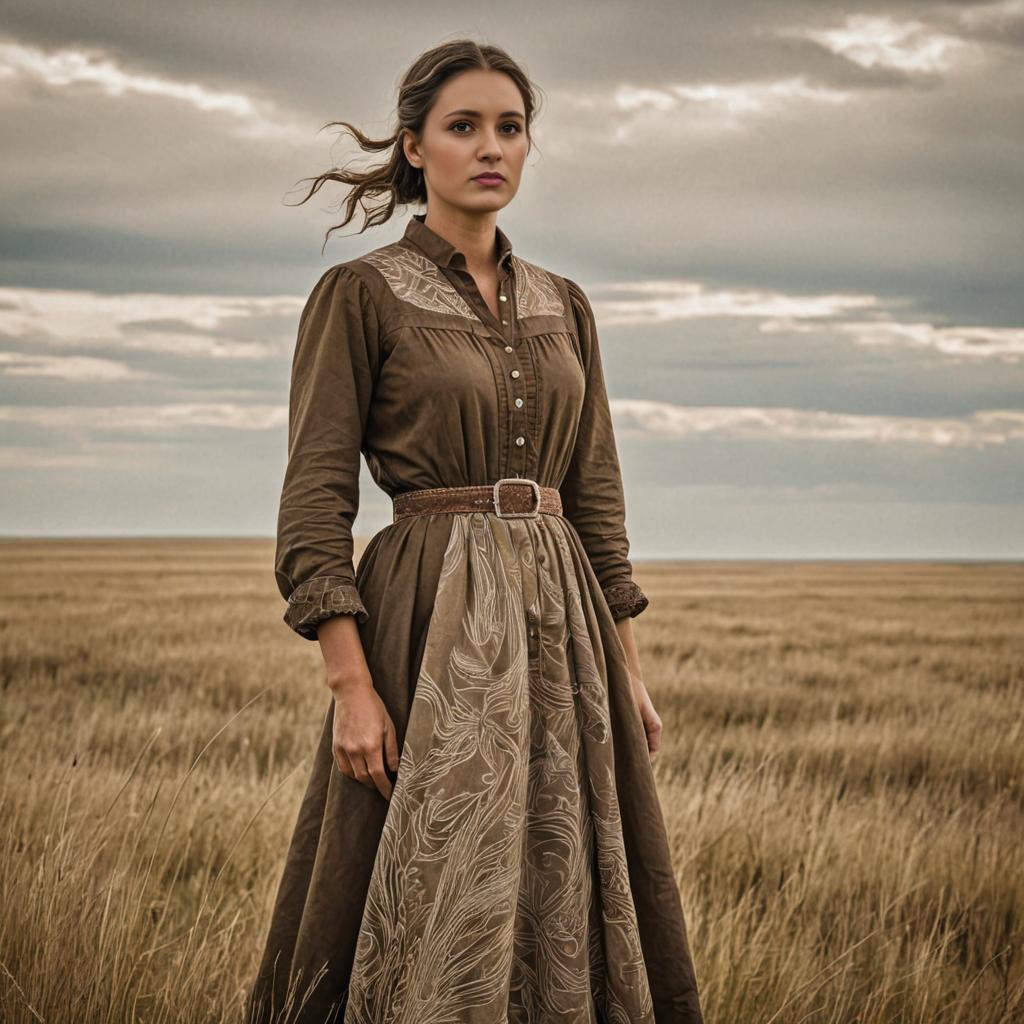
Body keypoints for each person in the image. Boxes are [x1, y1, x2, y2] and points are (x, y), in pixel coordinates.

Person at [247, 37, 705, 1024]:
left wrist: (626, 670)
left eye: (510, 127)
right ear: (415, 146)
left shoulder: (563, 304)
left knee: (566, 870)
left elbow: (596, 501)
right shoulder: (360, 295)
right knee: (427, 870)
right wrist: (350, 685)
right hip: (426, 614)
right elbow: (314, 502)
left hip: (564, 624)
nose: (490, 147)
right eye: (463, 127)